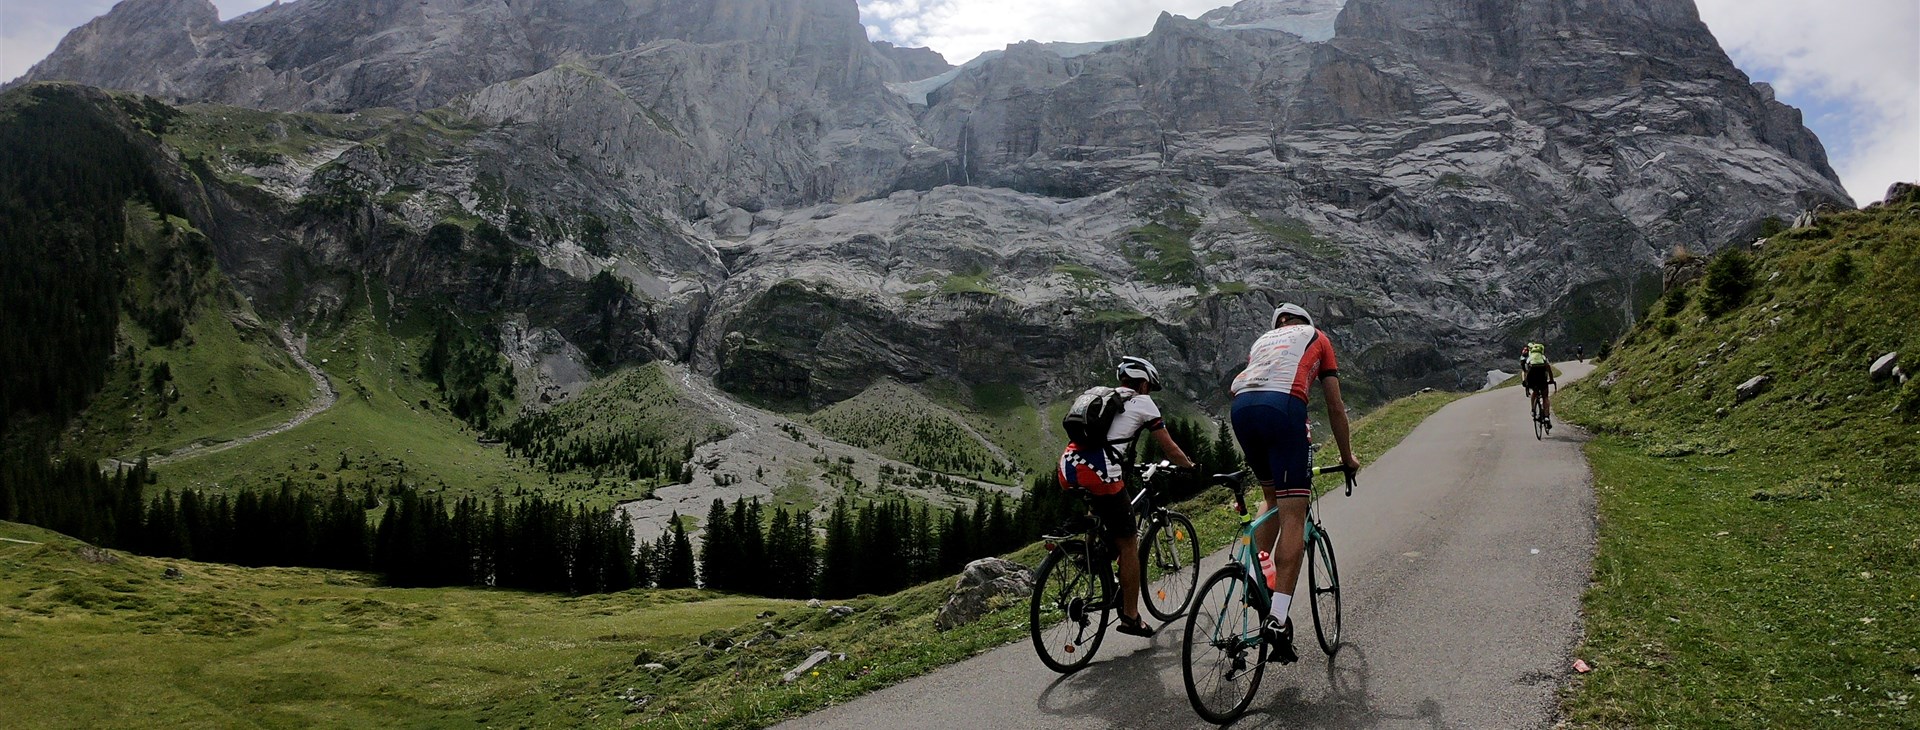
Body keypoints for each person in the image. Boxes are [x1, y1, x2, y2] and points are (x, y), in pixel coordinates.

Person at [1228, 303, 1360, 663]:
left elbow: (1238, 386)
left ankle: (1254, 576)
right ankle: (1278, 618)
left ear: (1278, 325)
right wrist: (1347, 458)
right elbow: (1335, 405)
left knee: (1271, 498)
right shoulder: (1317, 337)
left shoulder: (1263, 341)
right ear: (1306, 322)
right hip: (1282, 408)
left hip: (1241, 410)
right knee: (1293, 512)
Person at [1080, 356, 1197, 638]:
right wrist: (1190, 466)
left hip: (1073, 468)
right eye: (1149, 386)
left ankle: (1091, 560)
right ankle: (1131, 618)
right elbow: (1169, 448)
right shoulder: (1143, 402)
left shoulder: (1105, 398)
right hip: (1104, 475)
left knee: (1101, 520)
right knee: (1129, 542)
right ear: (1143, 383)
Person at [1524, 342, 1555, 426]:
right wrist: (1551, 380)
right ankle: (1546, 417)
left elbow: (1526, 372)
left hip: (1532, 380)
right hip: (1542, 380)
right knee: (1545, 397)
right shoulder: (1543, 358)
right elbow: (1549, 370)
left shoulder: (1529, 358)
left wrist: (1526, 382)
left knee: (1534, 392)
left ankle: (1533, 410)